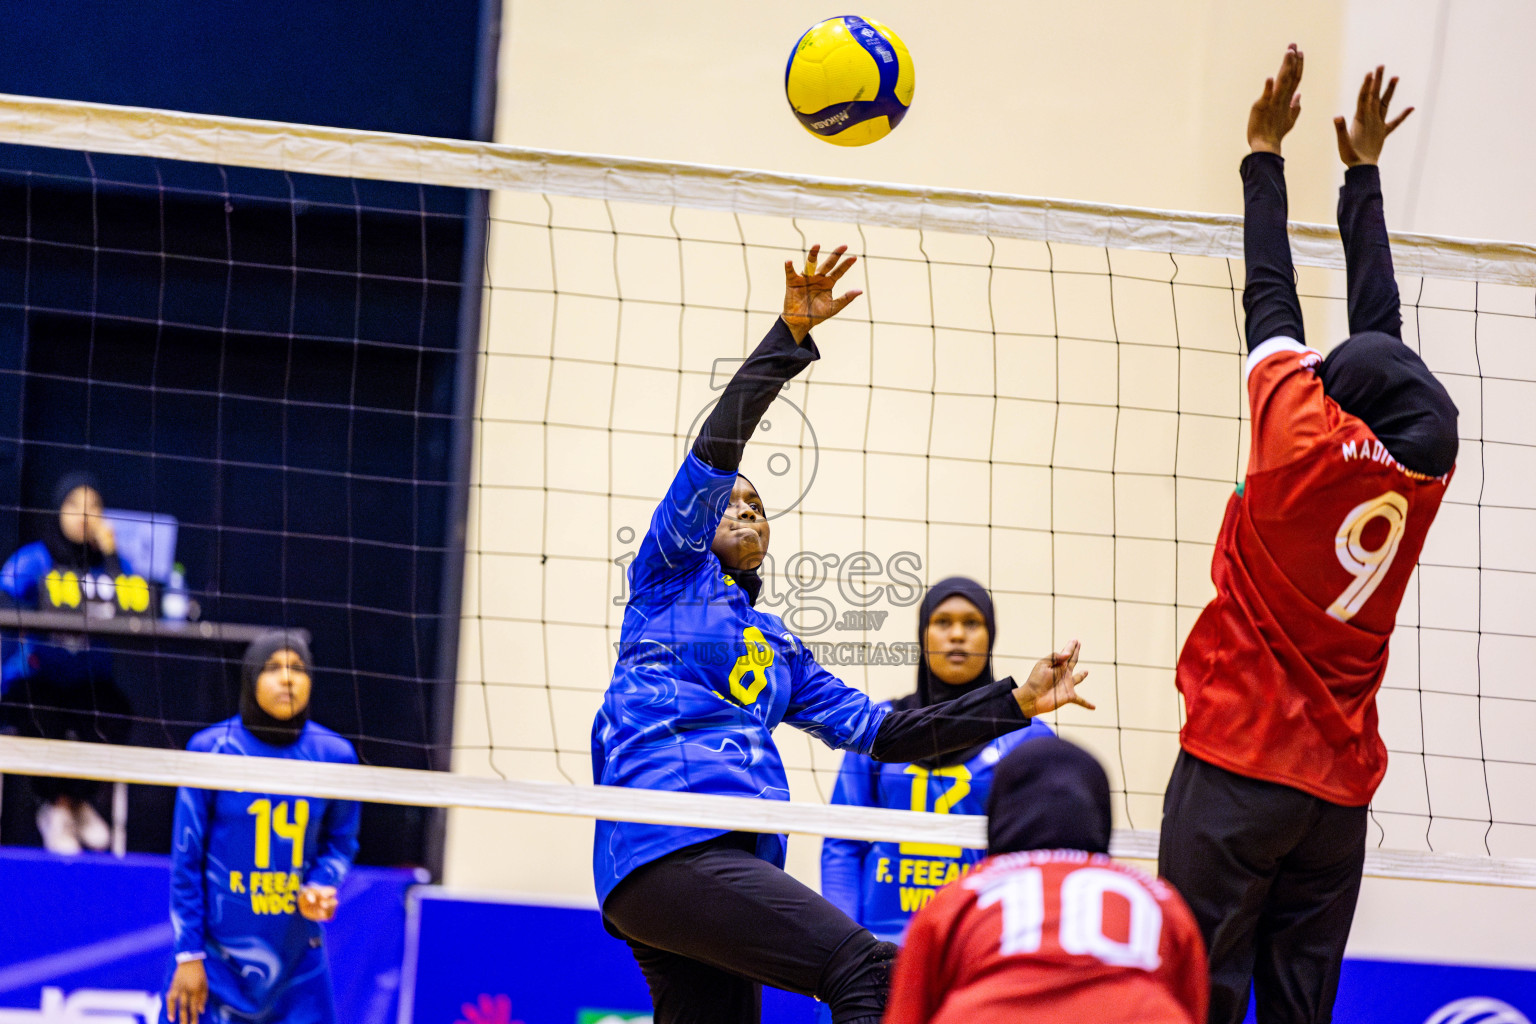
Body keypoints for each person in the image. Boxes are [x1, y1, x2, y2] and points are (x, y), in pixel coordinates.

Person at [591, 244, 1096, 1024]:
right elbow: (716, 450)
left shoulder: (780, 650)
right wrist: (786, 339)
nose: (747, 509)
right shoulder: (667, 576)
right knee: (872, 972)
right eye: (735, 502)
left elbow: (889, 733)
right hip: (671, 845)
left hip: (717, 863)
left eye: (760, 507)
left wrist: (1016, 704)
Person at [1158, 47, 1459, 1024]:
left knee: (1190, 999)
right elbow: (1386, 341)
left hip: (1238, 765)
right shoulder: (1423, 473)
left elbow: (1270, 295)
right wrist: (1362, 181)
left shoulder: (1296, 436)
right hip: (1334, 800)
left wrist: (1262, 154)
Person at [884, 737, 1208, 1024]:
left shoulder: (958, 895)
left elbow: (907, 1013)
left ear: (999, 812)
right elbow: (1192, 1005)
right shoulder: (1158, 897)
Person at [821, 576, 1054, 943]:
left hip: (981, 947)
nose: (957, 635)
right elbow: (843, 845)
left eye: (972, 623)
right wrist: (842, 947)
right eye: (943, 622)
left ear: (990, 636)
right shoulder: (880, 729)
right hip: (882, 948)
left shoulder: (1028, 738)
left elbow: (1039, 860)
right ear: (923, 634)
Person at [161, 630, 360, 1024]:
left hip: (296, 961)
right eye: (273, 668)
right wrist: (189, 954)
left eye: (298, 669)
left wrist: (323, 882)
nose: (287, 678)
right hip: (214, 960)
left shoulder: (335, 755)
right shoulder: (211, 748)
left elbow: (342, 842)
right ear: (251, 678)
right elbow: (186, 860)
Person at [0, 472, 137, 854]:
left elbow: (136, 605)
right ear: (59, 510)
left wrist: (111, 557)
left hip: (89, 685)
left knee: (114, 715)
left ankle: (77, 803)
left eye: (93, 507)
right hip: (36, 678)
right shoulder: (34, 558)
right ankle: (58, 807)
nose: (84, 516)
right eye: (74, 505)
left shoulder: (112, 564)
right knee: (41, 715)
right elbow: (5, 594)